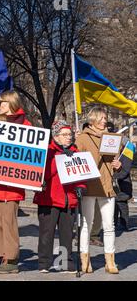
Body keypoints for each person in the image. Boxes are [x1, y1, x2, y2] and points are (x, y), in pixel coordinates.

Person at [0, 90, 31, 274]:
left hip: (12, 186)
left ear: (12, 103)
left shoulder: (26, 126)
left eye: (2, 102)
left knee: (8, 223)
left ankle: (10, 259)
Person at [33, 120, 86, 273]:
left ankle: (65, 263)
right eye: (65, 134)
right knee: (46, 233)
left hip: (69, 199)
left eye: (70, 134)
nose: (69, 137)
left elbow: (81, 174)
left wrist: (81, 187)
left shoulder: (75, 152)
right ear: (55, 136)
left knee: (67, 234)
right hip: (48, 199)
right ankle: (44, 263)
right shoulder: (47, 151)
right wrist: (61, 159)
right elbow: (45, 174)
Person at [75, 107, 120, 274]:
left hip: (107, 187)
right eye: (101, 118)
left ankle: (110, 262)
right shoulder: (82, 138)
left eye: (105, 118)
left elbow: (113, 163)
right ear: (93, 120)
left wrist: (117, 165)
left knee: (109, 226)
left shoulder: (112, 138)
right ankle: (85, 260)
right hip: (89, 186)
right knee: (86, 224)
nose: (104, 121)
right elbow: (76, 160)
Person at [114, 137, 134, 232]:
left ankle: (123, 224)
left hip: (124, 187)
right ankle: (120, 224)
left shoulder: (126, 155)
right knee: (119, 204)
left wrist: (115, 176)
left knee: (120, 203)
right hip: (121, 187)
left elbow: (124, 172)